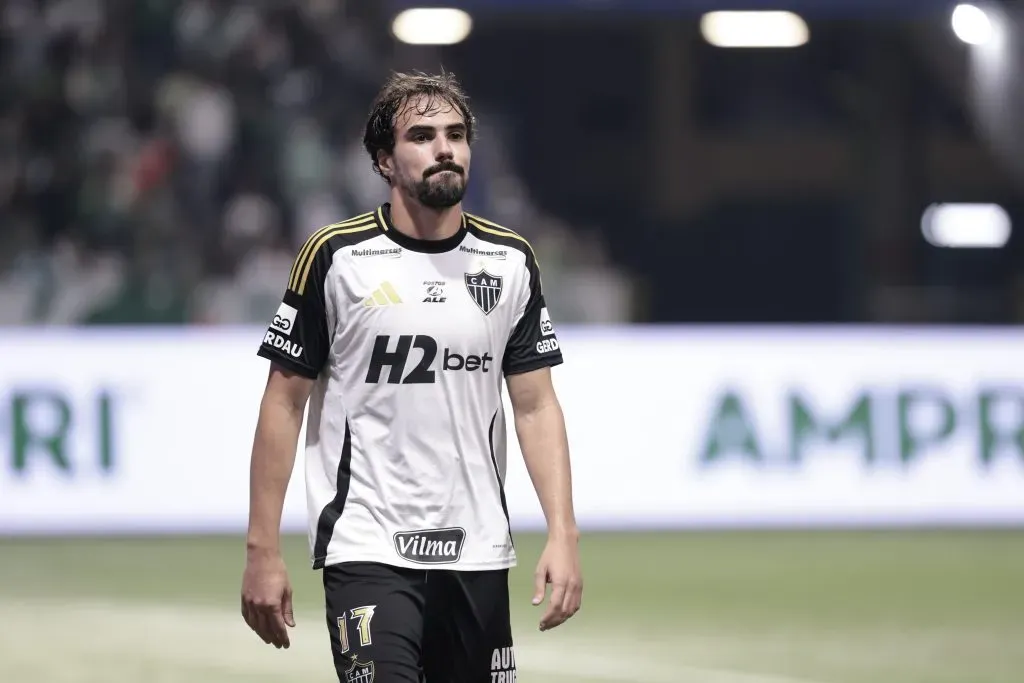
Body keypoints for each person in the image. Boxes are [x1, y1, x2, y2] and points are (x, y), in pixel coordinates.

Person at [240, 70, 583, 683]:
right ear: (383, 160)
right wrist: (262, 550)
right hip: (367, 545)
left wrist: (563, 533)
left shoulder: (510, 262)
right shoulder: (336, 257)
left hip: (477, 550)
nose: (443, 147)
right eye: (421, 135)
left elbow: (535, 406)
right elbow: (283, 404)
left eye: (455, 134)